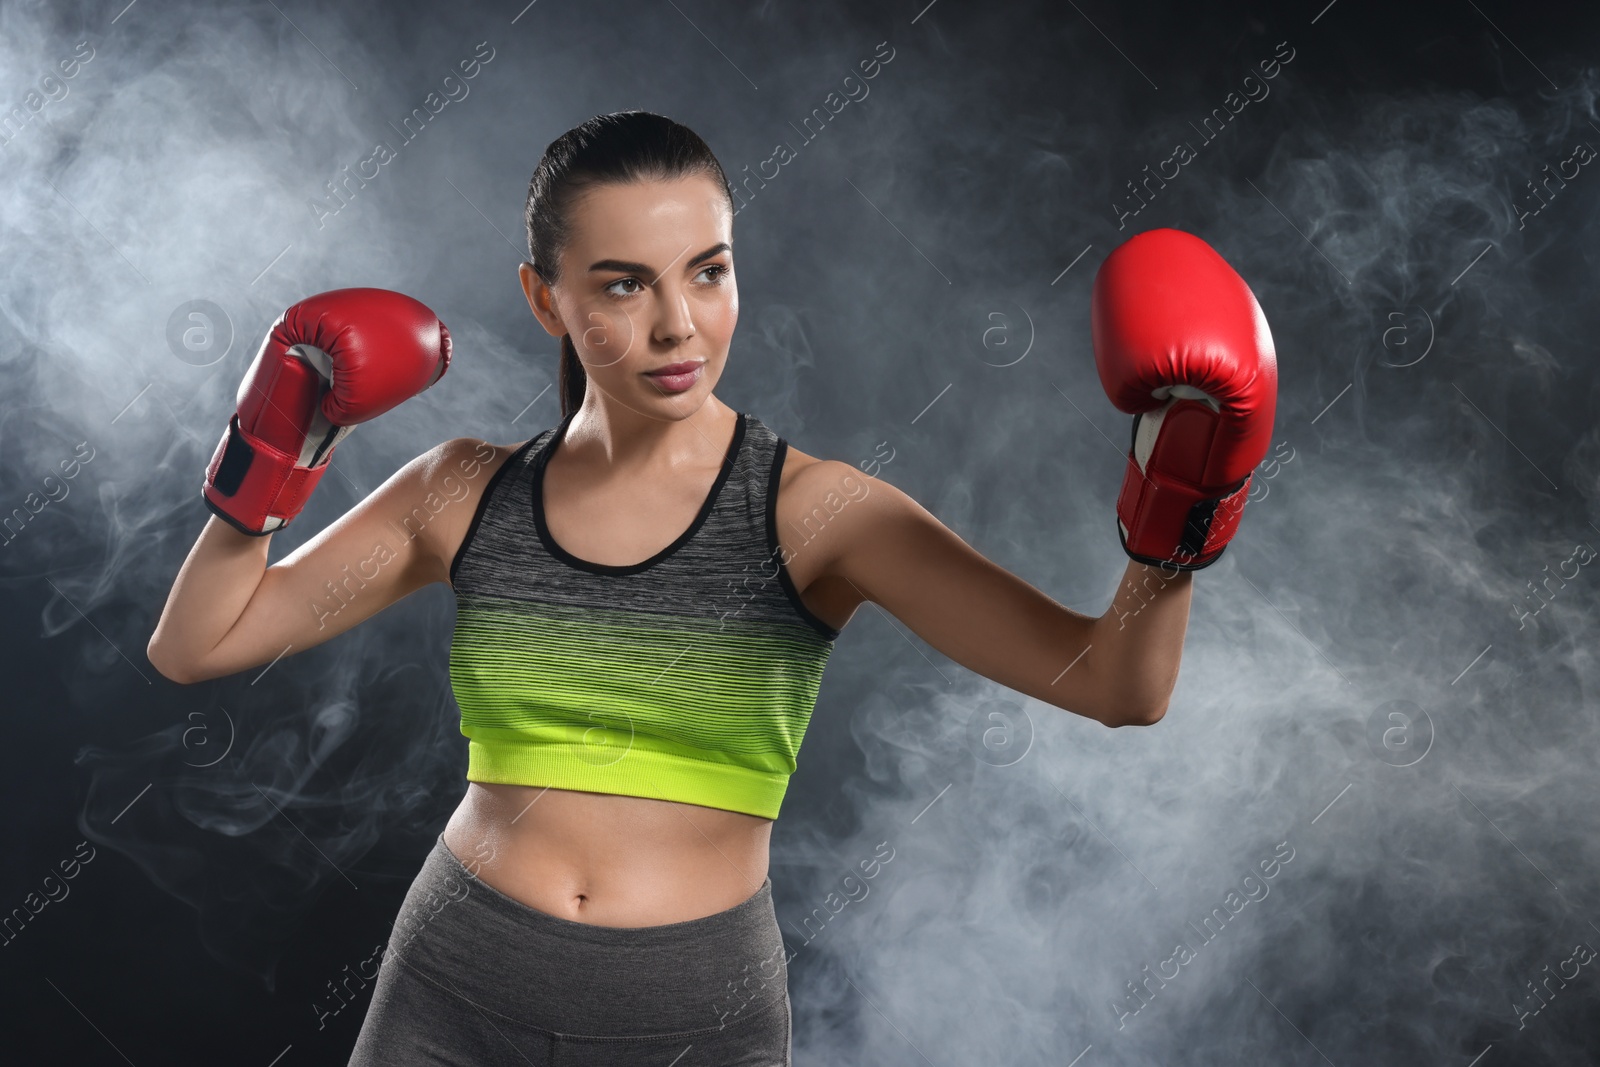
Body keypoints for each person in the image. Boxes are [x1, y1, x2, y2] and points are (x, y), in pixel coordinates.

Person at [145, 110, 1276, 1066]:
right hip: (455, 979)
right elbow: (197, 645)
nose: (678, 323)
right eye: (623, 284)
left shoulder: (819, 511)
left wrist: (1182, 497)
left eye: (708, 270)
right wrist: (275, 442)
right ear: (545, 300)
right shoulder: (459, 491)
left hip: (688, 1012)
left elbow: (1117, 682)